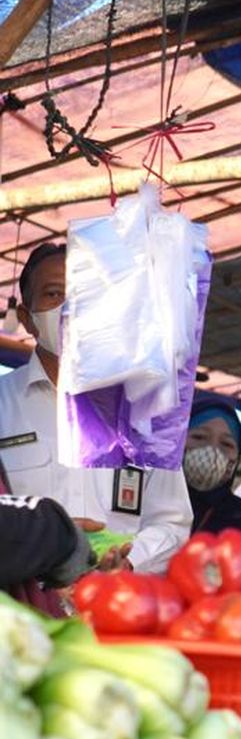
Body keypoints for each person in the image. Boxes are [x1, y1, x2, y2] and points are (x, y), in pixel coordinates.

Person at [0, 242, 191, 573]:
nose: (70, 307)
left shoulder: (145, 410)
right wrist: (46, 542)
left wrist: (130, 560)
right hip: (21, 609)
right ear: (29, 321)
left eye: (83, 294)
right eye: (53, 294)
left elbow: (172, 523)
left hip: (117, 606)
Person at [185, 393, 241, 537]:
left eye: (226, 444)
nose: (212, 450)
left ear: (237, 457)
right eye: (199, 437)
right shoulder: (147, 502)